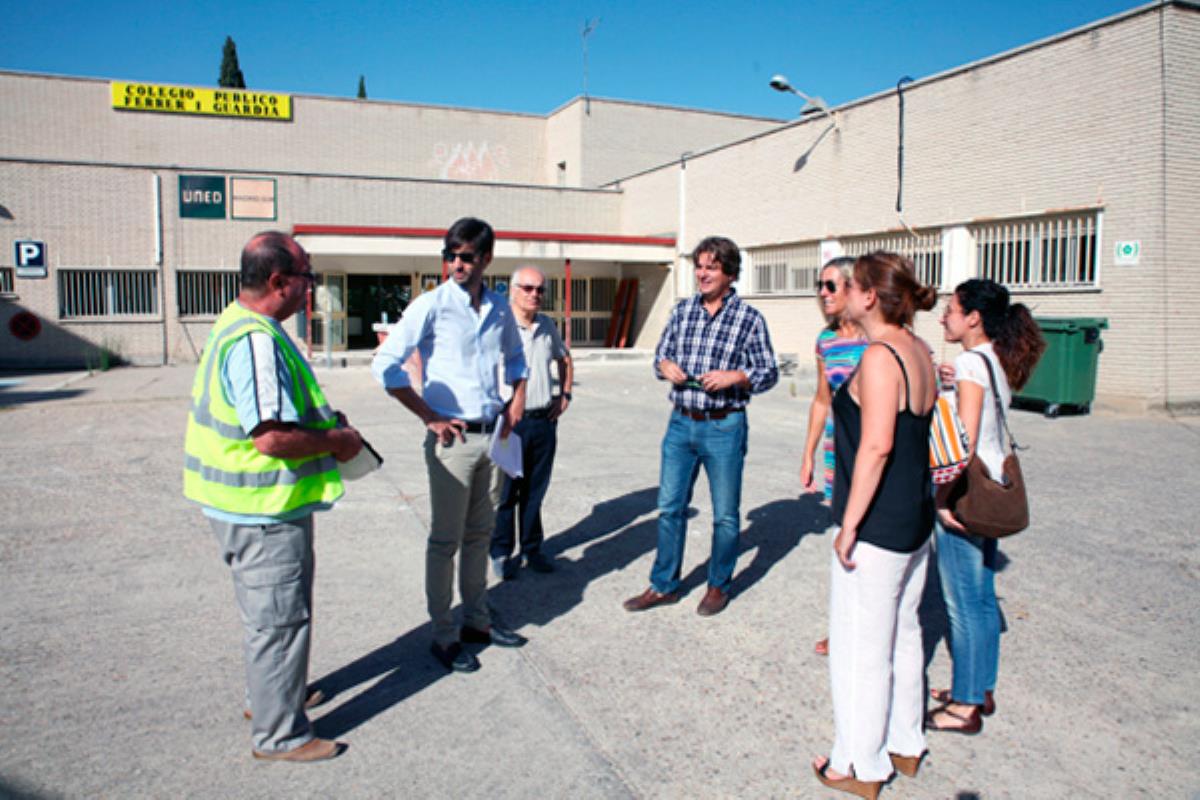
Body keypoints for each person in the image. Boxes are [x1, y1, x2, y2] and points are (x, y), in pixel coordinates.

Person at [183, 231, 364, 763]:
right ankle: (280, 734)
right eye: (307, 276)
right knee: (280, 621)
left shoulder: (235, 321)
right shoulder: (258, 341)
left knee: (268, 616)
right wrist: (339, 442)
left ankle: (272, 696)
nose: (311, 286)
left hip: (241, 504)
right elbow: (270, 436)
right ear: (280, 281)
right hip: (262, 510)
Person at [372, 217, 529, 674]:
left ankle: (477, 621)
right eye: (451, 256)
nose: (456, 264)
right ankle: (443, 634)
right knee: (445, 541)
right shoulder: (432, 305)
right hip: (453, 441)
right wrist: (429, 415)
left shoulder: (499, 306)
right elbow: (385, 364)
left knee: (479, 535)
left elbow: (516, 358)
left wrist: (516, 400)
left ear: (486, 259)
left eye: (465, 257)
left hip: (493, 435)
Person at [812, 251, 938, 798]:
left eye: (850, 284)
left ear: (868, 296)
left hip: (880, 525)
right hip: (915, 519)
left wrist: (849, 525)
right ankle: (904, 742)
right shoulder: (920, 349)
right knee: (905, 634)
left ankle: (858, 765)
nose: (839, 291)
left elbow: (877, 445)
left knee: (860, 649)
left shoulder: (883, 356)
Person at [623, 236, 778, 617]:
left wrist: (736, 377)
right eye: (699, 266)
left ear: (730, 273)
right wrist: (664, 367)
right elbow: (661, 353)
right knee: (669, 508)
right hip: (680, 425)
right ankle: (664, 586)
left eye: (712, 267)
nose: (703, 274)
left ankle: (717, 585)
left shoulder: (749, 319)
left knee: (725, 515)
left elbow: (769, 371)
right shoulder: (682, 312)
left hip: (724, 426)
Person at [926, 278, 1045, 734]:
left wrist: (941, 499)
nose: (944, 317)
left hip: (968, 493)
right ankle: (980, 686)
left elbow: (964, 442)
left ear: (973, 317)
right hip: (995, 485)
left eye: (951, 310)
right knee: (981, 596)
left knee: (964, 603)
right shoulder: (994, 358)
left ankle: (966, 705)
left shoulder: (971, 363)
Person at [800, 256, 868, 657]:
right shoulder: (826, 341)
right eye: (819, 286)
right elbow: (821, 399)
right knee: (843, 533)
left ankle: (865, 628)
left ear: (853, 288)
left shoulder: (878, 339)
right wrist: (808, 453)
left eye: (831, 285)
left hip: (871, 450)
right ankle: (844, 626)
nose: (823, 293)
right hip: (836, 449)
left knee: (866, 539)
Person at [490, 266, 573, 579]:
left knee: (535, 491)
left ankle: (532, 548)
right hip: (510, 422)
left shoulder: (546, 325)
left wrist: (564, 395)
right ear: (512, 290)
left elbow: (564, 359)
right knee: (506, 493)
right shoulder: (500, 326)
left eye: (540, 289)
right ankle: (500, 552)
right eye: (527, 288)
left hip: (542, 421)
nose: (534, 295)